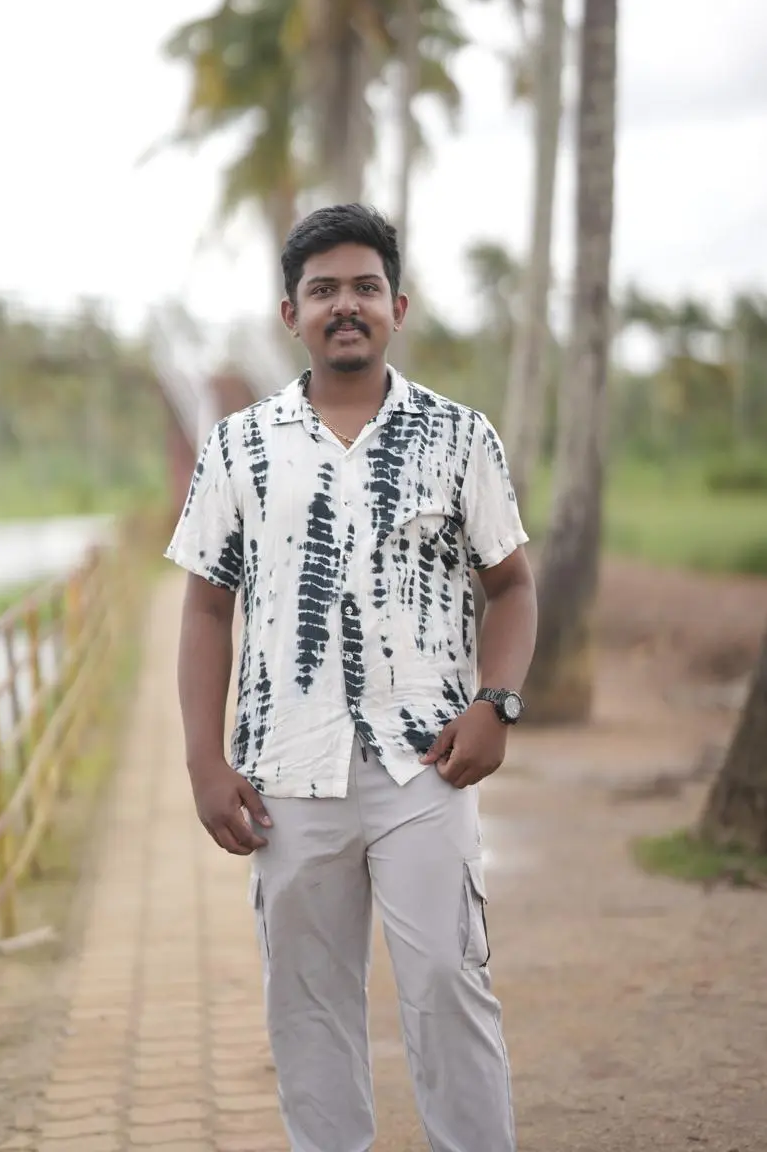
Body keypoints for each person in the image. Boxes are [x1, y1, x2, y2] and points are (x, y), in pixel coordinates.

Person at [166, 203, 538, 1152]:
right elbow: (207, 607)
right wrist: (205, 764)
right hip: (285, 776)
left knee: (447, 988)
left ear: (397, 306)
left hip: (427, 766)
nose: (345, 305)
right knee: (308, 1008)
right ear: (289, 312)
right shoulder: (239, 447)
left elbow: (512, 587)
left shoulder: (460, 438)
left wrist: (496, 704)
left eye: (363, 288)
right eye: (323, 289)